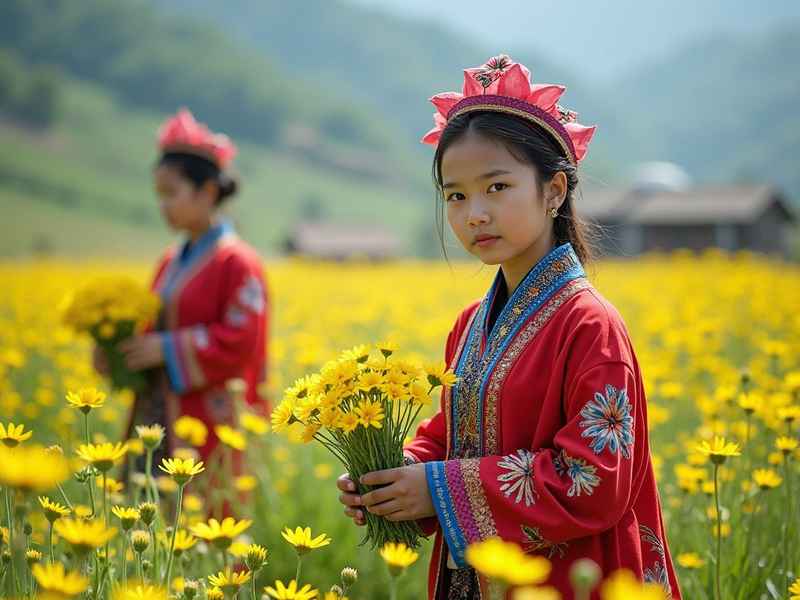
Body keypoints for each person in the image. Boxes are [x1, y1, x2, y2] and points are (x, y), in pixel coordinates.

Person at [337, 55, 680, 599]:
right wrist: (398, 473)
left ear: (554, 190)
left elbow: (594, 481)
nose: (474, 213)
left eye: (496, 187)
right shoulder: (469, 324)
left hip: (566, 580)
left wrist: (439, 490)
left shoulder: (590, 325)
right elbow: (454, 433)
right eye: (455, 194)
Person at [95, 108, 269, 470]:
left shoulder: (238, 263)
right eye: (158, 194)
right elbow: (150, 331)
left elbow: (242, 340)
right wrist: (116, 349)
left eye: (171, 193)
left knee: (195, 517)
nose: (163, 206)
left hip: (204, 427)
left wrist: (166, 348)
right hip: (153, 416)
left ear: (207, 192)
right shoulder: (169, 261)